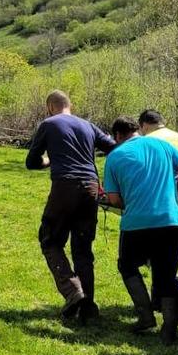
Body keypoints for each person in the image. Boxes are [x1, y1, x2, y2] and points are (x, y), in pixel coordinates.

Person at [25, 90, 116, 322]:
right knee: (83, 248)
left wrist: (49, 160)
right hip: (91, 188)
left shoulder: (49, 124)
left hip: (65, 186)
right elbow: (114, 148)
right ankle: (87, 307)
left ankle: (72, 291)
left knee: (50, 239)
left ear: (50, 107)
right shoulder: (88, 125)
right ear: (70, 105)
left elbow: (32, 161)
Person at [103, 116, 178, 343]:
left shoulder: (114, 157)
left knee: (127, 266)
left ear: (118, 136)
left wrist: (131, 201)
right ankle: (169, 330)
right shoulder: (163, 145)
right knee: (166, 275)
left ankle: (145, 317)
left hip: (137, 223)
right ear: (137, 130)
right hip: (171, 221)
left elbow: (114, 199)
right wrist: (175, 191)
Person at [137, 109, 178, 321]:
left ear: (144, 125)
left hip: (155, 203)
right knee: (164, 255)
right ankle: (160, 301)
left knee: (147, 254)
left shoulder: (149, 140)